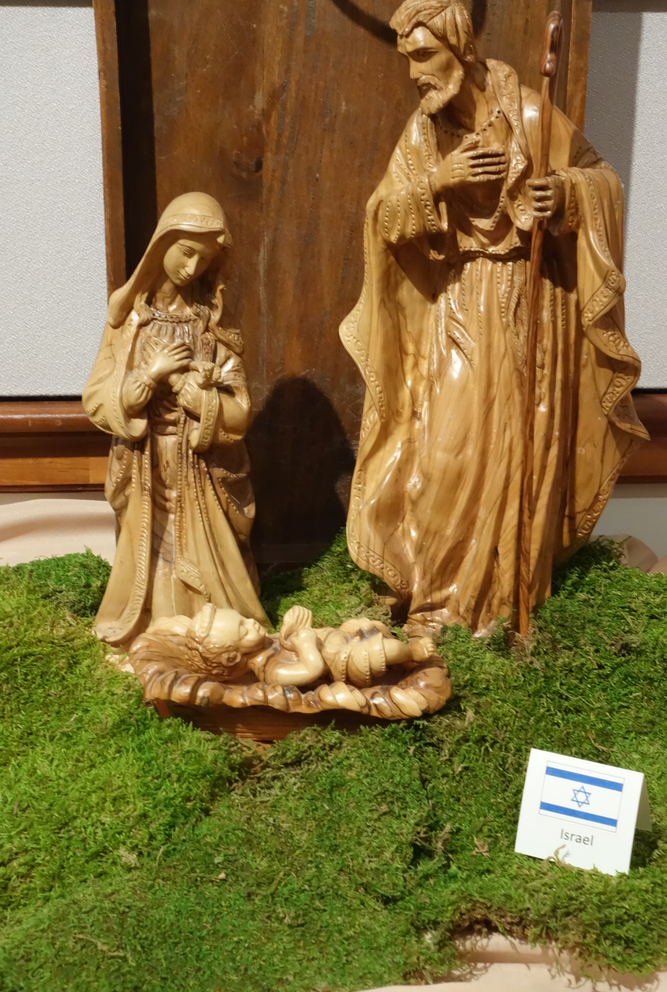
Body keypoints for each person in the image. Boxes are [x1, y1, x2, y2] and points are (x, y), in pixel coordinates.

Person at [340, 0, 647, 634]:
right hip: (458, 301)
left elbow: (601, 179)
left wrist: (564, 194)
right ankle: (438, 600)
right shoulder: (424, 134)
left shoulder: (531, 115)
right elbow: (383, 216)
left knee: (519, 448)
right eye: (407, 60)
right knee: (444, 452)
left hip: (530, 302)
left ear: (462, 49)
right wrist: (438, 183)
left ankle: (501, 598)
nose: (415, 74)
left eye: (425, 56)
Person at [83, 192, 268, 646]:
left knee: (205, 548)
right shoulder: (130, 322)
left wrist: (201, 399)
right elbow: (97, 397)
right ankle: (150, 620)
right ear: (162, 243)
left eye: (203, 261)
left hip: (199, 470)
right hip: (145, 464)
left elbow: (239, 408)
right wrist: (149, 376)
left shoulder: (211, 327)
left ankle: (212, 622)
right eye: (185, 252)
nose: (191, 268)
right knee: (150, 546)